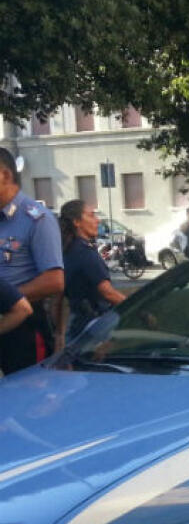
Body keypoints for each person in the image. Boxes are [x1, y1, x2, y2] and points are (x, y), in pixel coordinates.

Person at [0, 147, 64, 375]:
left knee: (28, 392)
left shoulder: (36, 218)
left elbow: (54, 281)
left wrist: (9, 299)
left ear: (5, 175)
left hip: (25, 327)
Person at [54, 200, 125, 345]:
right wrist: (138, 309)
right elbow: (108, 293)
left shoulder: (66, 251)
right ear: (77, 222)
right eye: (91, 215)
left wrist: (59, 335)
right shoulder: (85, 253)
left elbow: (56, 301)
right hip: (94, 329)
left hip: (76, 326)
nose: (97, 220)